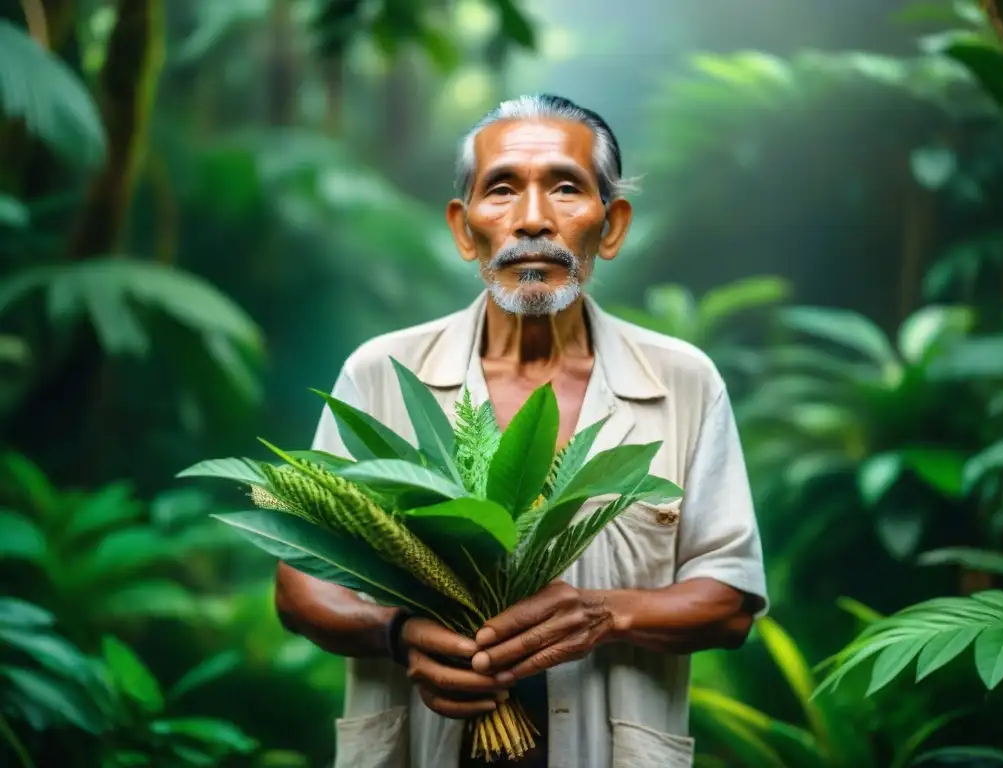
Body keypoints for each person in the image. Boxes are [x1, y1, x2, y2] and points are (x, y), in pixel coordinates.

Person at [274, 94, 768, 768]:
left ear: (612, 225)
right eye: (502, 189)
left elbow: (730, 601)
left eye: (566, 188)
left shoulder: (683, 382)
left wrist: (603, 613)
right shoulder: (384, 374)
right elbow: (300, 585)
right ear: (464, 227)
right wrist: (397, 635)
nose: (533, 220)